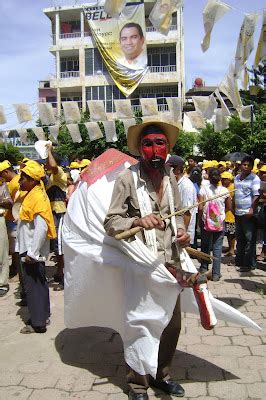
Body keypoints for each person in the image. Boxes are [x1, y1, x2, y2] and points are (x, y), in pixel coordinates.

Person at [104, 121, 190, 400]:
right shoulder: (127, 179)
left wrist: (183, 232)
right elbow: (111, 222)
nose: (155, 150)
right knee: (141, 324)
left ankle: (162, 375)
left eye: (160, 144)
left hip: (170, 264)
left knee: (171, 325)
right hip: (141, 264)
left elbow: (177, 215)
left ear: (168, 148)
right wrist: (138, 221)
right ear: (140, 149)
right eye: (149, 144)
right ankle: (138, 384)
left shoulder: (171, 177)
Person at [16, 161, 56, 333]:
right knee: (38, 284)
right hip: (30, 248)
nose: (19, 181)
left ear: (32, 180)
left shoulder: (37, 197)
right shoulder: (33, 193)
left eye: (23, 178)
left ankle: (38, 322)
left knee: (34, 286)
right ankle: (42, 316)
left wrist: (32, 252)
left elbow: (42, 227)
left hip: (32, 250)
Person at [198, 168, 231, 281]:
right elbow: (229, 207)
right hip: (219, 222)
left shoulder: (203, 190)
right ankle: (216, 274)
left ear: (209, 177)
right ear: (219, 178)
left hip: (206, 222)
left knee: (205, 245)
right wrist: (219, 216)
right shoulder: (225, 191)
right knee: (217, 247)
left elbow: (200, 207)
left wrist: (201, 219)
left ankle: (203, 268)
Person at [45, 144, 67, 290]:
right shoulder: (50, 177)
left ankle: (63, 276)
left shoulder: (59, 173)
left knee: (60, 246)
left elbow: (52, 165)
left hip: (60, 213)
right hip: (52, 214)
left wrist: (49, 151)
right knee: (56, 246)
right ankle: (60, 273)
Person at [233, 156, 260, 272]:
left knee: (250, 239)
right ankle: (239, 261)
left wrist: (251, 209)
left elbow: (256, 195)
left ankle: (249, 264)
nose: (245, 167)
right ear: (240, 165)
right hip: (238, 212)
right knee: (240, 238)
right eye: (244, 164)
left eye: (248, 165)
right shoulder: (237, 178)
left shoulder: (254, 178)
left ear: (251, 167)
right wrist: (233, 207)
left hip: (248, 213)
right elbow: (235, 193)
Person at [166, 155, 197, 246]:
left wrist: (183, 233)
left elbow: (187, 213)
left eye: (169, 168)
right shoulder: (173, 183)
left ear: (178, 170)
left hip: (182, 235)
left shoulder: (186, 186)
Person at [0, 176, 12, 296]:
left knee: (2, 252)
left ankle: (2, 283)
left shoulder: (2, 184)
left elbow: (10, 203)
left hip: (0, 219)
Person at [221, 171, 236, 256]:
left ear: (229, 180)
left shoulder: (232, 187)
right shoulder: (224, 188)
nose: (223, 181)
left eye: (224, 179)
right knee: (227, 232)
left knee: (231, 233)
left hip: (230, 215)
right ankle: (229, 247)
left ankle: (232, 249)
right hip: (226, 215)